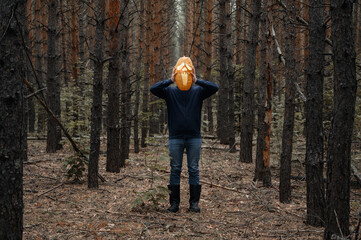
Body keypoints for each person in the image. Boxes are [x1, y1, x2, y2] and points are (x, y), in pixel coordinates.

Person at [150, 57, 219, 213]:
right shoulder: (169, 91)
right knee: (175, 169)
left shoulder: (198, 91)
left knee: (193, 169)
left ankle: (194, 204)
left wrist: (197, 80)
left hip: (194, 137)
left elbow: (214, 87)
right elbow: (153, 89)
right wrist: (170, 80)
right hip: (175, 138)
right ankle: (174, 203)